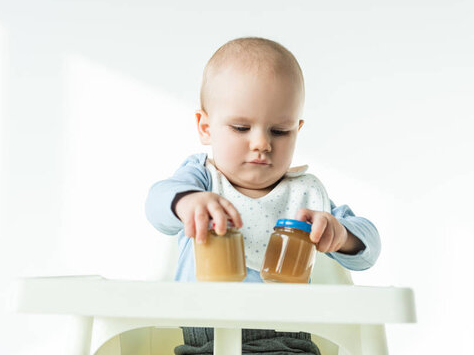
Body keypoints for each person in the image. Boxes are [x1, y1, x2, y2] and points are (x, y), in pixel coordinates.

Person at [145, 37, 380, 355]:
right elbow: (157, 203)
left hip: (287, 338)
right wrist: (187, 202)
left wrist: (341, 235)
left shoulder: (304, 193)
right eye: (241, 128)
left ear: (297, 129)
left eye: (279, 131)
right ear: (206, 127)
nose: (261, 143)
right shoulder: (202, 179)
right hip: (208, 337)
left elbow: (369, 249)